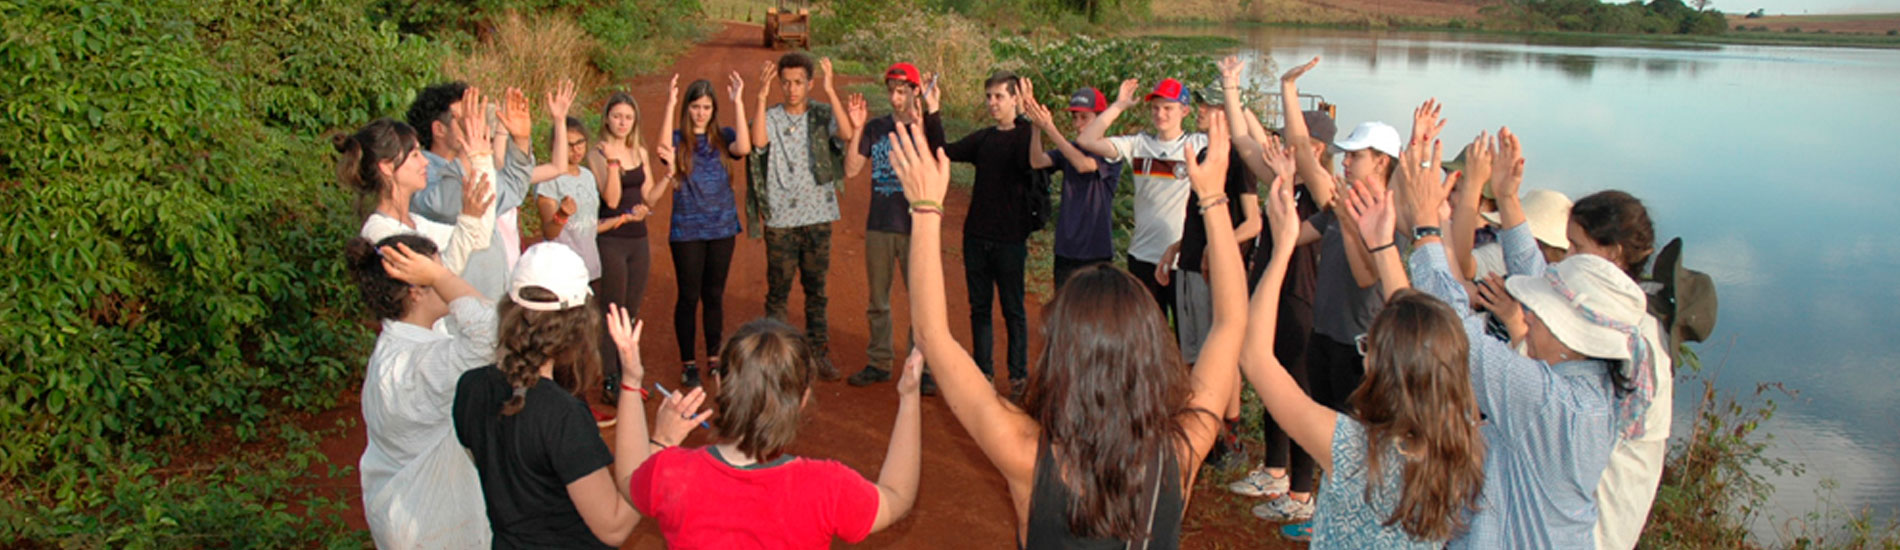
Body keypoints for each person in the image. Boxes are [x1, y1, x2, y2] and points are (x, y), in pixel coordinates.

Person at [898, 109, 1249, 547]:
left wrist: (926, 208)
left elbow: (932, 335)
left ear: (1062, 353)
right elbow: (1232, 323)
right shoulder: (1181, 450)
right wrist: (1213, 199)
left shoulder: (1027, 453)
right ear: (1150, 351)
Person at [1387, 128, 1655, 549]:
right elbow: (1539, 276)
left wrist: (1426, 229)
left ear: (1570, 334)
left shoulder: (1551, 403)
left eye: (1540, 314)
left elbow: (1457, 334)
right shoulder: (1592, 381)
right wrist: (1508, 199)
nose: (1528, 315)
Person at [1235, 174, 1487, 548]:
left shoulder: (1352, 450)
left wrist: (1283, 248)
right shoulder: (1463, 444)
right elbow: (1423, 336)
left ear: (1385, 368)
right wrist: (1382, 247)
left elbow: (1254, 358)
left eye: (1369, 346)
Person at [1475, 143, 1668, 550]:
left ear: (1612, 254)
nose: (1566, 259)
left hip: (1591, 524)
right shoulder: (1604, 309)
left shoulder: (1632, 336)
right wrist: (1508, 199)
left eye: (1577, 247)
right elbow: (1541, 280)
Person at [452, 242, 702, 549]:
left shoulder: (470, 387)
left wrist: (632, 380)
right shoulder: (562, 416)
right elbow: (614, 526)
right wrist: (663, 441)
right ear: (578, 327)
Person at [628, 322, 924, 548]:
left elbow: (630, 484)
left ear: (720, 384)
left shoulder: (670, 472)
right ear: (803, 398)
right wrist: (909, 398)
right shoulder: (826, 488)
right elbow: (897, 496)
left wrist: (661, 441)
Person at [1257, 56, 1399, 523]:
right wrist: (1290, 90)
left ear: (1381, 161)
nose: (1348, 161)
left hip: (1359, 349)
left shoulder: (1387, 215)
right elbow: (1294, 235)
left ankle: (1346, 519)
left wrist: (1341, 215)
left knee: (1356, 442)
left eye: (1356, 155)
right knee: (1322, 426)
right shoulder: (1342, 203)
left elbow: (1366, 277)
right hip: (1326, 334)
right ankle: (1314, 505)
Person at [346, 235, 495, 548]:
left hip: (401, 514)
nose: (448, 282)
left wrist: (437, 276)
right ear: (415, 291)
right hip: (437, 525)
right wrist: (441, 277)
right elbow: (493, 333)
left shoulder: (393, 350)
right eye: (435, 277)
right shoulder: (421, 364)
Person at [1227, 111, 1333, 511]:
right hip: (1273, 296)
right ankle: (1274, 471)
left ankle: (1302, 493)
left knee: (1300, 396)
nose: (1285, 145)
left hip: (1301, 303)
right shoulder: (1283, 183)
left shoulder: (1326, 194)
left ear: (1315, 149)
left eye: (1294, 140)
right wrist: (1234, 91)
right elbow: (1245, 141)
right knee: (1271, 386)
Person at [746, 52, 858, 381]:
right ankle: (776, 358)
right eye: (786, 83)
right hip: (780, 219)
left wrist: (831, 89)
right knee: (778, 292)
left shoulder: (822, 115)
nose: (792, 89)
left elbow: (848, 134)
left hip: (818, 215)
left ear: (809, 84)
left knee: (816, 290)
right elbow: (758, 143)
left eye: (798, 82)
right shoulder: (771, 116)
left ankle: (817, 352)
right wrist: (762, 95)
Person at [841, 62, 946, 389]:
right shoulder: (876, 128)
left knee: (921, 299)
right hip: (880, 225)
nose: (895, 98)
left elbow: (942, 157)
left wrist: (933, 113)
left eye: (902, 91)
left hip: (918, 225)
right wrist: (857, 128)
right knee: (878, 299)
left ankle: (923, 366)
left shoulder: (927, 127)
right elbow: (852, 169)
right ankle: (879, 360)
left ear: (916, 91)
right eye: (891, 91)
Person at [1074, 77, 1209, 321]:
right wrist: (1118, 106)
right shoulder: (1138, 144)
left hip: (1182, 260)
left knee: (1186, 340)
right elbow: (1087, 140)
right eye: (1155, 108)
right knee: (1145, 333)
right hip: (1142, 256)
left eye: (1168, 108)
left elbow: (1240, 143)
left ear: (1185, 111)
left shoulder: (1198, 145)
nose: (1160, 114)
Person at [940, 71, 1039, 398]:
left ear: (1015, 99)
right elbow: (945, 150)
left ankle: (1018, 377)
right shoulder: (983, 139)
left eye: (999, 96)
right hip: (976, 238)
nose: (993, 103)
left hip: (1010, 240)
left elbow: (1032, 158)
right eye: (989, 97)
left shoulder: (1026, 136)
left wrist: (1030, 114)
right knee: (979, 308)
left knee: (1013, 309)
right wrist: (932, 112)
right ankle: (983, 373)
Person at [656, 74, 752, 388]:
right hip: (687, 230)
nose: (700, 112)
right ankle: (688, 363)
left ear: (714, 109)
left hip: (722, 227)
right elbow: (660, 148)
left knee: (714, 295)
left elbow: (745, 147)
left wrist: (738, 101)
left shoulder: (723, 136)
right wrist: (670, 103)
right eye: (695, 106)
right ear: (688, 108)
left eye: (706, 107)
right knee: (688, 296)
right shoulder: (677, 139)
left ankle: (713, 357)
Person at [406, 82, 537, 301]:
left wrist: (521, 140)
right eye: (464, 119)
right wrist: (470, 149)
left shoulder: (476, 162)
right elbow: (445, 206)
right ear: (439, 129)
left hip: (492, 299)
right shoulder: (420, 171)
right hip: (454, 310)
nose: (476, 123)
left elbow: (512, 190)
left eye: (475, 116)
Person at [586, 91, 670, 416]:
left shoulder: (640, 151)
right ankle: (610, 377)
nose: (622, 122)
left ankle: (626, 373)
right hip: (611, 239)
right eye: (617, 116)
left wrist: (669, 175)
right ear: (607, 118)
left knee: (631, 309)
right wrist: (612, 164)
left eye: (628, 117)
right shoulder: (599, 153)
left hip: (638, 238)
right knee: (613, 308)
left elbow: (649, 199)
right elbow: (611, 199)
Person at [344, 113, 494, 276]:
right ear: (386, 167)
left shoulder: (417, 223)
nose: (425, 162)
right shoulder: (380, 231)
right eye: (415, 155)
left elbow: (480, 239)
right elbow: (436, 279)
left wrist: (482, 161)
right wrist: (468, 219)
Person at [1024, 85, 1122, 290]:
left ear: (1101, 118)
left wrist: (1050, 128)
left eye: (1084, 118)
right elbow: (1037, 161)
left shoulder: (1112, 150)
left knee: (1094, 317)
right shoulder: (1070, 148)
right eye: (1075, 118)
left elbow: (1083, 165)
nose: (1078, 125)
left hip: (1096, 250)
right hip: (1066, 248)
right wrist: (1036, 128)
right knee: (1065, 312)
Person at [529, 81, 599, 277]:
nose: (576, 149)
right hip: (562, 271)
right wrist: (561, 214)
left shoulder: (588, 176)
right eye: (568, 145)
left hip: (591, 268)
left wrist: (623, 219)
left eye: (580, 143)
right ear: (556, 145)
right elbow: (549, 232)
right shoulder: (548, 180)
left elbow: (590, 223)